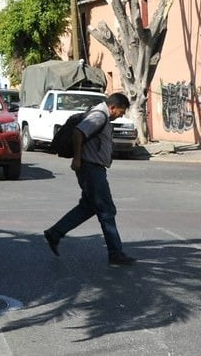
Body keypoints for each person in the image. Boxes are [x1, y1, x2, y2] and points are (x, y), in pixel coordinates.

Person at [43, 92, 137, 266]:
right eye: (121, 112)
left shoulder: (101, 114)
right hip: (91, 169)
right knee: (107, 210)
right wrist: (77, 158)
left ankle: (55, 233)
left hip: (92, 168)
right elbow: (79, 132)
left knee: (88, 207)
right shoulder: (99, 116)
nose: (121, 115)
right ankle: (115, 253)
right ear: (112, 107)